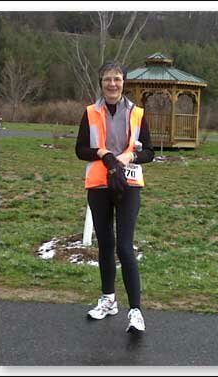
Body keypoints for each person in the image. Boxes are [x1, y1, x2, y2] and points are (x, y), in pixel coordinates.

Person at [75, 61, 154, 333]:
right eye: (107, 79)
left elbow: (149, 153)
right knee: (105, 243)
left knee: (124, 246)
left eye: (117, 79)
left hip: (128, 183)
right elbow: (81, 149)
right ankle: (108, 299)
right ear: (101, 83)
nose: (112, 84)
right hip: (98, 184)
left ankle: (135, 311)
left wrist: (128, 155)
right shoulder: (90, 113)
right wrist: (103, 154)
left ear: (124, 82)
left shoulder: (137, 113)